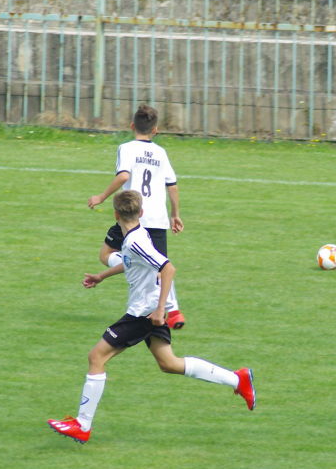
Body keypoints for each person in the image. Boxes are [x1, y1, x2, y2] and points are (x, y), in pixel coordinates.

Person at [47, 190, 256, 445]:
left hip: (143, 313)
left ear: (115, 214)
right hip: (149, 310)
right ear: (142, 213)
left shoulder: (136, 241)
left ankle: (83, 424)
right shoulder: (137, 235)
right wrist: (102, 276)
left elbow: (168, 269)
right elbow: (132, 262)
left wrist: (158, 310)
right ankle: (238, 379)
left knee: (96, 357)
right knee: (169, 363)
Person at [88, 104, 186, 328]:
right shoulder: (161, 153)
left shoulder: (126, 148)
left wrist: (101, 196)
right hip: (158, 218)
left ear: (132, 125)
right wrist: (175, 215)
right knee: (160, 265)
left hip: (132, 214)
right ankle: (174, 312)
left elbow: (123, 176)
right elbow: (172, 186)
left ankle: (137, 267)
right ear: (155, 130)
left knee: (106, 254)